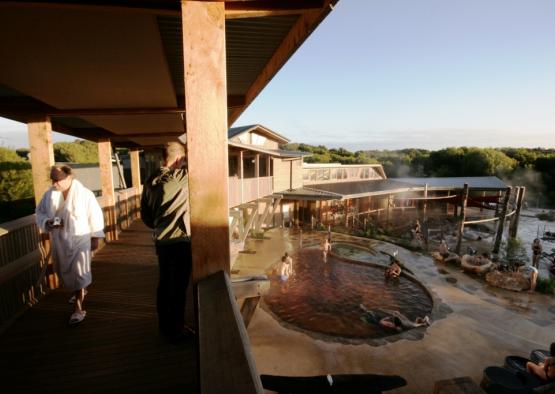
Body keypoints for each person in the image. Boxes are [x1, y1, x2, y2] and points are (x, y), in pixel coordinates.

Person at [36, 165, 105, 325]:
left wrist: (95, 237)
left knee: (79, 272)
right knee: (63, 270)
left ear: (69, 177)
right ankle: (79, 291)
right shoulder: (49, 194)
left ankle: (78, 309)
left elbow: (95, 215)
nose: (54, 183)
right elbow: (40, 212)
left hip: (80, 238)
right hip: (60, 240)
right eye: (52, 179)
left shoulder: (84, 194)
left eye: (58, 179)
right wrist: (48, 222)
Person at [141, 141, 193, 343]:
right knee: (179, 288)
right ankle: (177, 330)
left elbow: (145, 217)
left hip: (161, 242)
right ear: (180, 159)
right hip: (180, 240)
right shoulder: (183, 177)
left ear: (163, 158)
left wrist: (159, 225)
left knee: (164, 285)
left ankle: (164, 326)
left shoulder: (150, 180)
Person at [359, 304, 430, 332]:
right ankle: (364, 310)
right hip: (381, 321)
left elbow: (382, 323)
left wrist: (385, 319)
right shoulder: (407, 323)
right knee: (369, 312)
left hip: (379, 321)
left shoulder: (409, 324)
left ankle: (364, 311)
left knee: (369, 313)